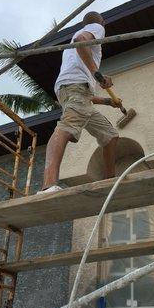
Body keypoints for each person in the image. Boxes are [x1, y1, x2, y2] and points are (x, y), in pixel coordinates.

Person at [38, 11, 120, 194]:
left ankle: (110, 182)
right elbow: (81, 40)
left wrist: (107, 101)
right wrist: (97, 75)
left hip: (76, 92)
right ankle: (48, 184)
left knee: (110, 136)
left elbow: (83, 97)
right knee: (67, 126)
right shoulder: (96, 28)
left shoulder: (72, 51)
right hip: (75, 88)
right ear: (102, 22)